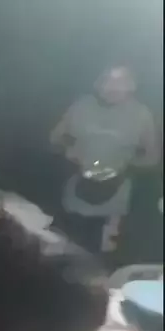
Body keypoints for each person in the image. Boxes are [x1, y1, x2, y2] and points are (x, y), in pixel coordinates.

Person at [50, 65, 160, 254]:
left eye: (121, 81)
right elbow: (54, 139)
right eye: (108, 80)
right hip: (76, 191)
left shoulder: (142, 115)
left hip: (114, 198)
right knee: (63, 248)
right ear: (97, 84)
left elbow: (153, 157)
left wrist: (126, 166)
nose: (113, 87)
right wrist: (68, 151)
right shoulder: (81, 106)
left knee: (102, 255)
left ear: (132, 86)